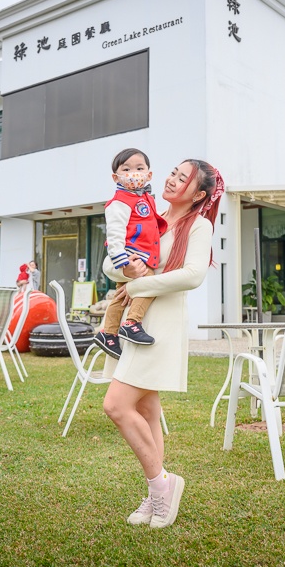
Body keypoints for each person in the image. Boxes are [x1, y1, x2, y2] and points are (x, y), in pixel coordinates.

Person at [101, 158, 223, 529]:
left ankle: (162, 488)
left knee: (116, 405)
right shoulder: (148, 213)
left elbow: (193, 275)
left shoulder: (198, 226)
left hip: (160, 326)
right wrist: (125, 270)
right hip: (131, 320)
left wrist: (138, 285)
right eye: (172, 172)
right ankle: (157, 495)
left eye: (182, 178)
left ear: (199, 193)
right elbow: (112, 258)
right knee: (148, 410)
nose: (172, 179)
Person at [92, 148, 169, 359]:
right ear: (116, 177)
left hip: (140, 254)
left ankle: (108, 334)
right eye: (126, 169)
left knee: (121, 296)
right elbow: (115, 234)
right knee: (150, 283)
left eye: (139, 168)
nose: (134, 173)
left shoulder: (146, 198)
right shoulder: (119, 202)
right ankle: (132, 323)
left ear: (149, 174)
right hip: (133, 256)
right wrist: (123, 263)